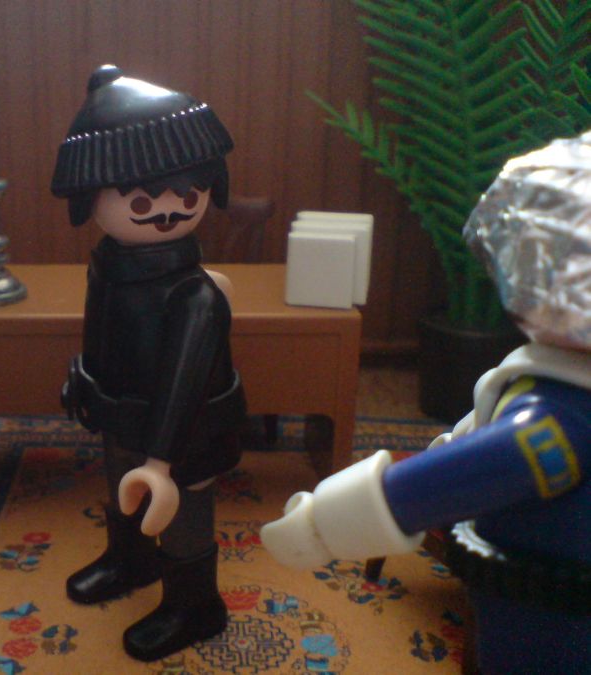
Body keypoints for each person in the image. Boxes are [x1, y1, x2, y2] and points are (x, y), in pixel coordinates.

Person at [261, 131, 591, 674]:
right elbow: (479, 433)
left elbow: (468, 471)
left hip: (548, 601)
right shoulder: (558, 380)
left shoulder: (561, 419)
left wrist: (324, 524)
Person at [53, 65, 247, 662]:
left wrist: (161, 461)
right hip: (122, 409)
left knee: (183, 505)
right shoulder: (108, 266)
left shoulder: (195, 294)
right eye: (141, 199)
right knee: (121, 484)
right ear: (92, 199)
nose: (166, 211)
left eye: (186, 195)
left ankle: (196, 604)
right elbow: (100, 331)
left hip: (187, 430)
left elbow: (186, 381)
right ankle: (130, 559)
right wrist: (84, 378)